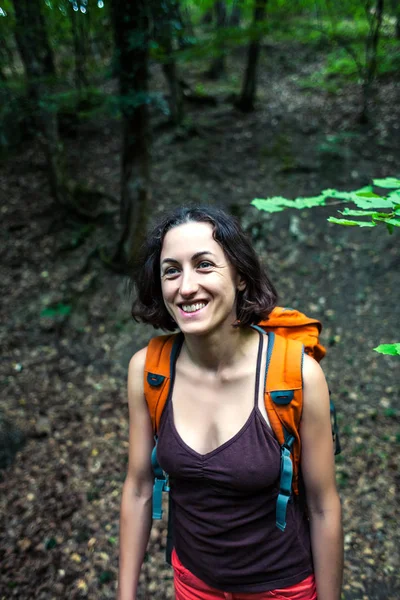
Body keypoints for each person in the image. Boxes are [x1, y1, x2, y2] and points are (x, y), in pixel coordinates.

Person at [117, 206, 343, 600]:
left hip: (282, 588)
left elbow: (324, 506)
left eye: (204, 265)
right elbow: (138, 487)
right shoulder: (149, 371)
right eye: (172, 270)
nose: (185, 286)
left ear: (239, 276)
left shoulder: (296, 375)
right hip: (193, 584)